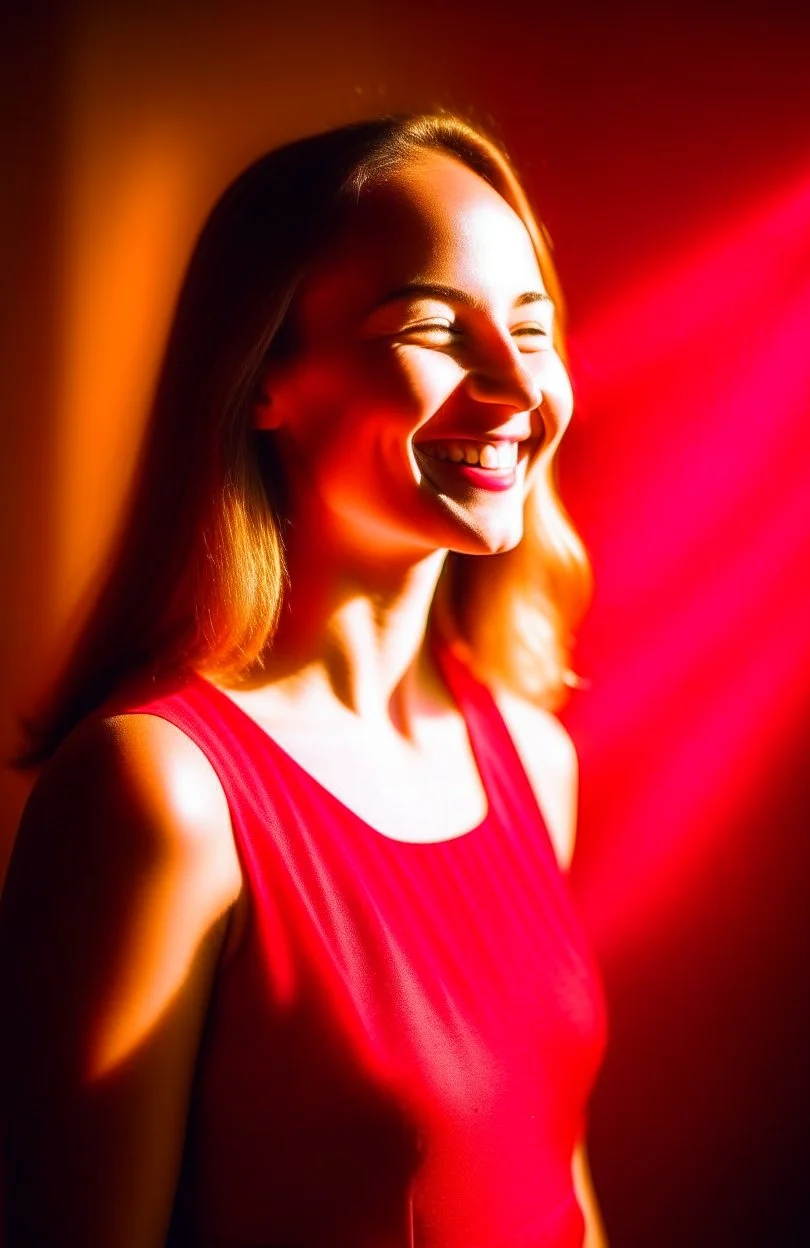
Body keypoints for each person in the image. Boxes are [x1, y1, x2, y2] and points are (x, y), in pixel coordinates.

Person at [0, 112, 608, 1247]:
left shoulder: (534, 756)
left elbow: (562, 1194)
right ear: (264, 376)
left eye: (533, 328)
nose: (516, 384)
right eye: (434, 327)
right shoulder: (159, 796)